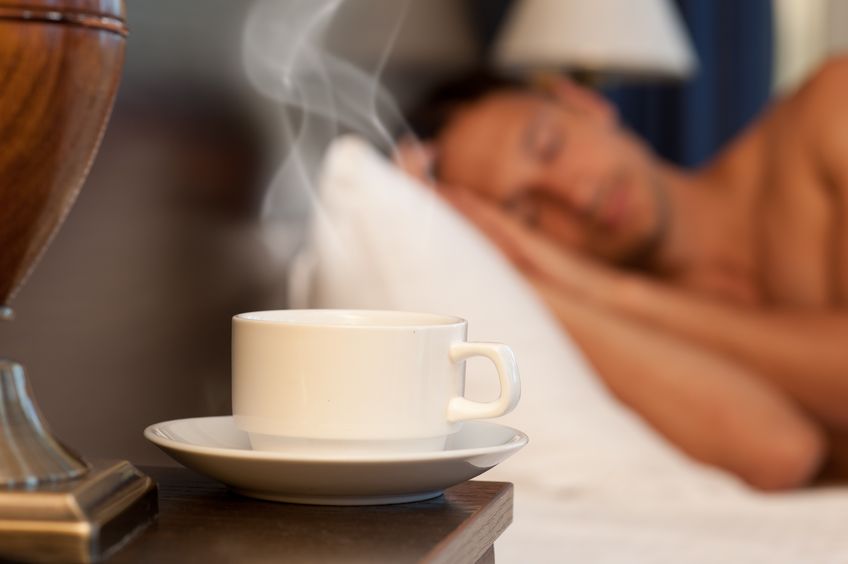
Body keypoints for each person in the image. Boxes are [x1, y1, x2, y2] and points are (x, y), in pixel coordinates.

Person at [395, 58, 848, 491]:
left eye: (550, 147)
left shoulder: (831, 109)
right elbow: (783, 452)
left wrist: (614, 292)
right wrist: (521, 278)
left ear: (583, 103)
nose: (576, 196)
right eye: (528, 217)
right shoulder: (620, 336)